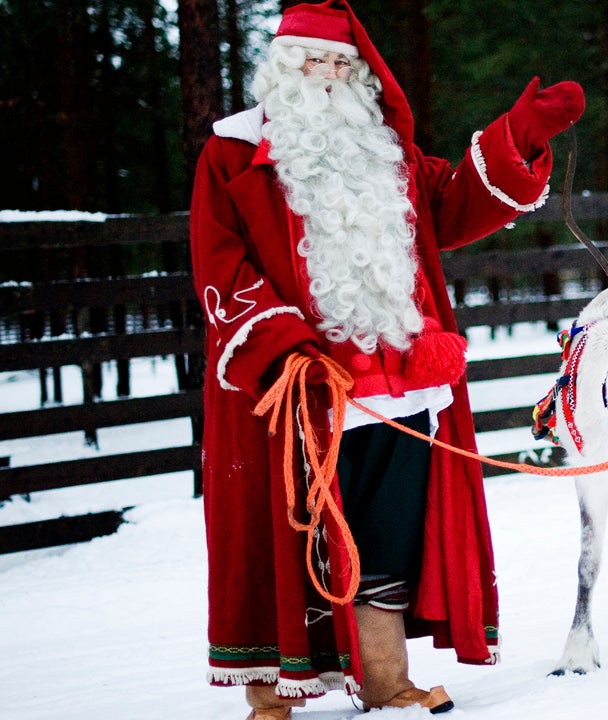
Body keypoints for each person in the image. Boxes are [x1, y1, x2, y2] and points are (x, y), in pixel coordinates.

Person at [188, 1, 583, 717]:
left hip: (404, 387)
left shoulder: (388, 154)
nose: (332, 76)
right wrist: (288, 350)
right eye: (317, 61)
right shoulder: (231, 157)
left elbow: (459, 204)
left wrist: (518, 136)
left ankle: (385, 680)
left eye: (344, 63)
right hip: (301, 388)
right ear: (284, 69)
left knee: (387, 536)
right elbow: (219, 263)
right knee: (286, 535)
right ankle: (272, 696)